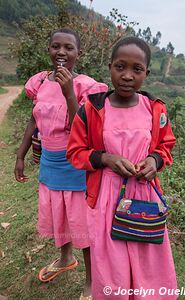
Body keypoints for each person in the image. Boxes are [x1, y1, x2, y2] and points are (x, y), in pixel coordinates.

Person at [67, 36, 177, 299]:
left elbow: (166, 145)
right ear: (109, 67)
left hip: (144, 199)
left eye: (136, 69)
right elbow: (75, 152)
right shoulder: (92, 109)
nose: (127, 75)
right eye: (120, 66)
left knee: (146, 255)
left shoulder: (154, 109)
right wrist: (106, 159)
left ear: (146, 74)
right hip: (106, 198)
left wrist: (154, 161)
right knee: (112, 261)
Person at [14, 27, 107, 299]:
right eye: (56, 46)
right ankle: (66, 258)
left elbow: (84, 127)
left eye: (69, 48)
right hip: (50, 163)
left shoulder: (87, 87)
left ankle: (91, 281)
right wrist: (20, 154)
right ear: (49, 49)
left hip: (76, 166)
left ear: (80, 53)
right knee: (60, 216)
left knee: (83, 225)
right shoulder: (40, 82)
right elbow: (34, 119)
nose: (62, 52)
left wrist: (68, 92)